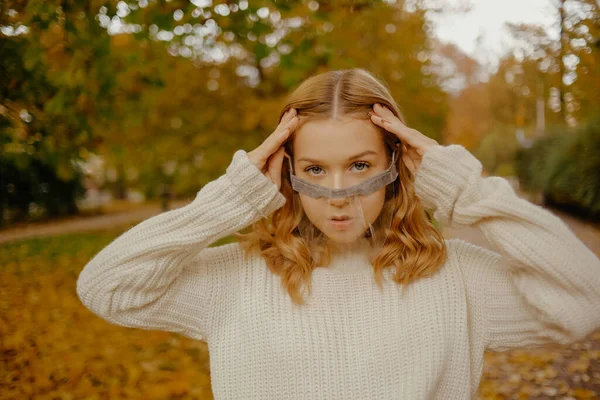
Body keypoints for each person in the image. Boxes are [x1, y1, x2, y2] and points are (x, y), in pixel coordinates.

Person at [76, 68, 600, 399]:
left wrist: (464, 189)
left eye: (359, 164)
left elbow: (583, 300)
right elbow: (108, 287)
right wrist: (228, 202)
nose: (340, 193)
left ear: (398, 163)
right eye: (315, 169)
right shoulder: (237, 279)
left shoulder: (455, 278)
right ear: (285, 172)